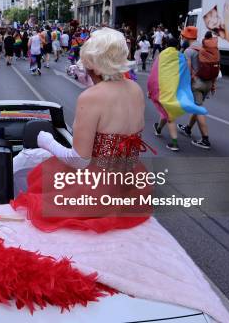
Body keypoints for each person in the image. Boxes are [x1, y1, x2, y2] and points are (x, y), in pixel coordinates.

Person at [12, 28, 151, 232]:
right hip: (128, 183)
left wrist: (47, 142)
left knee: (38, 181)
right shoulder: (135, 89)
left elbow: (79, 160)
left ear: (92, 61)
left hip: (98, 188)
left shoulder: (92, 97)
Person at [148, 36, 207, 151]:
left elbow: (154, 74)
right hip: (174, 89)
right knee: (167, 111)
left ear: (166, 45)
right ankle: (159, 128)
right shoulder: (180, 56)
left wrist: (150, 90)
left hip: (163, 90)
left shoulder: (161, 55)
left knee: (169, 116)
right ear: (177, 46)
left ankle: (174, 143)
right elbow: (185, 74)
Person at [177, 28, 218, 149]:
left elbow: (188, 70)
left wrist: (185, 86)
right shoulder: (206, 47)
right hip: (208, 82)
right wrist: (213, 84)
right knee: (197, 105)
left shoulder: (188, 51)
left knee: (199, 108)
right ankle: (188, 128)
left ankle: (205, 139)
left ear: (187, 38)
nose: (182, 38)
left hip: (197, 84)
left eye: (183, 36)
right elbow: (215, 64)